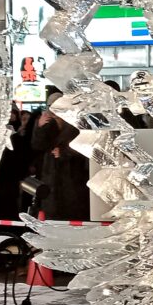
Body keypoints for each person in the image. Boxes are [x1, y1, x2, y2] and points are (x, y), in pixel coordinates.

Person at [30, 92, 90, 220]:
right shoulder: (47, 123)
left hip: (72, 175)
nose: (52, 111)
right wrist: (39, 127)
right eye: (50, 106)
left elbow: (85, 147)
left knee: (72, 210)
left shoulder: (76, 123)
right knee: (52, 210)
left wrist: (64, 152)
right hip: (51, 174)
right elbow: (37, 145)